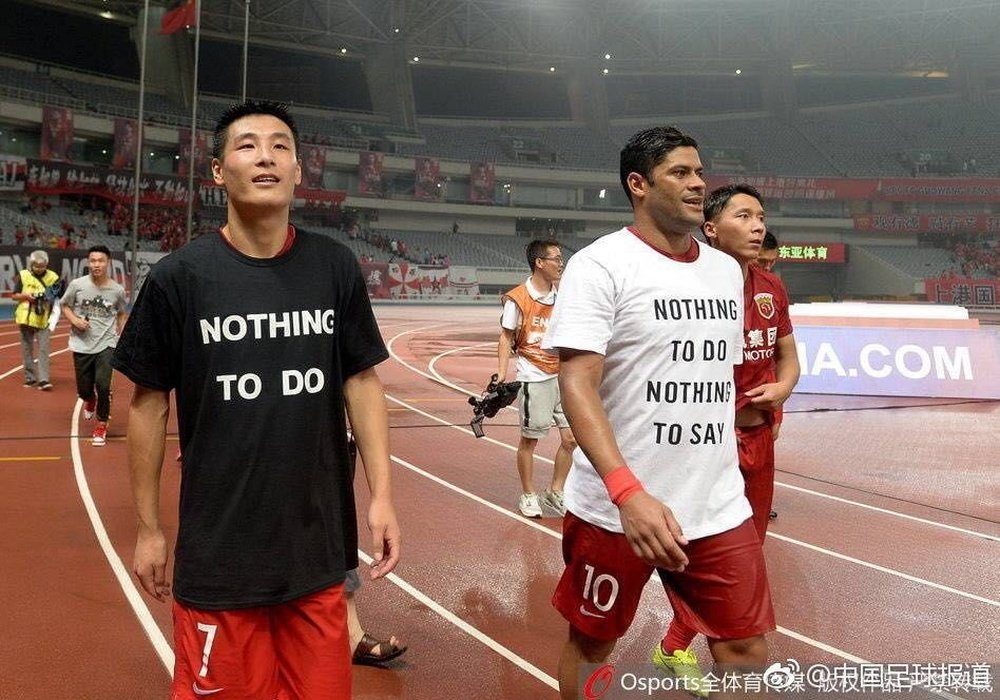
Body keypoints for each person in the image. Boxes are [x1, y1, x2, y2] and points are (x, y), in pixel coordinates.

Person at [111, 100, 400, 699]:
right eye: (246, 145)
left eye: (280, 146)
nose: (265, 156)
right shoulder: (178, 278)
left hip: (318, 554)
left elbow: (362, 381)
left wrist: (383, 497)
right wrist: (148, 529)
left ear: (298, 170)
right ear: (217, 171)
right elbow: (147, 405)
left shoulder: (334, 266)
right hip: (220, 558)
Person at [542, 126, 773, 700]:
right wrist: (627, 493)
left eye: (700, 172)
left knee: (745, 648)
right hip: (616, 508)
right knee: (594, 642)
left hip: (716, 503)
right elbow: (577, 384)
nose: (699, 184)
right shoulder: (601, 266)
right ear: (638, 185)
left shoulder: (725, 271)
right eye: (681, 173)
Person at [652, 184, 800, 692]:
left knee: (744, 556)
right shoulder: (685, 286)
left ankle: (674, 645)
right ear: (710, 228)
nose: (759, 225)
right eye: (744, 216)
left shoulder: (771, 287)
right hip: (702, 447)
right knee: (692, 552)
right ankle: (679, 645)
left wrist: (782, 388)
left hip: (759, 442)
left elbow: (788, 359)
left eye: (761, 216)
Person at [498, 239, 576, 518]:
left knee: (571, 439)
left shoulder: (563, 296)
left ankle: (555, 491)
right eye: (555, 258)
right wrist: (501, 371)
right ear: (539, 262)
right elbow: (506, 336)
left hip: (562, 375)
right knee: (530, 440)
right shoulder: (519, 298)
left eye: (561, 258)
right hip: (535, 375)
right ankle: (529, 494)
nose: (560, 263)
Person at [60, 245, 127, 445]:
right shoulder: (77, 285)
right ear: (88, 263)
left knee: (104, 385)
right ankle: (90, 399)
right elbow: (65, 305)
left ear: (108, 263)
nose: (96, 264)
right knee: (83, 390)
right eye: (93, 261)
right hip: (81, 344)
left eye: (100, 261)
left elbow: (122, 312)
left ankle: (101, 424)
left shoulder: (117, 290)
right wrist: (74, 320)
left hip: (106, 343)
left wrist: (120, 329)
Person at [12, 249, 61, 390]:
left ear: (46, 264)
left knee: (44, 350)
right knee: (27, 349)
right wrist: (27, 296)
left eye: (42, 266)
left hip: (43, 318)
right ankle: (30, 378)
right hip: (25, 318)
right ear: (31, 265)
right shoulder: (23, 275)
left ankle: (44, 380)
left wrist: (45, 296)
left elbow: (56, 294)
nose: (39, 269)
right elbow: (14, 295)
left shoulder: (53, 277)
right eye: (36, 266)